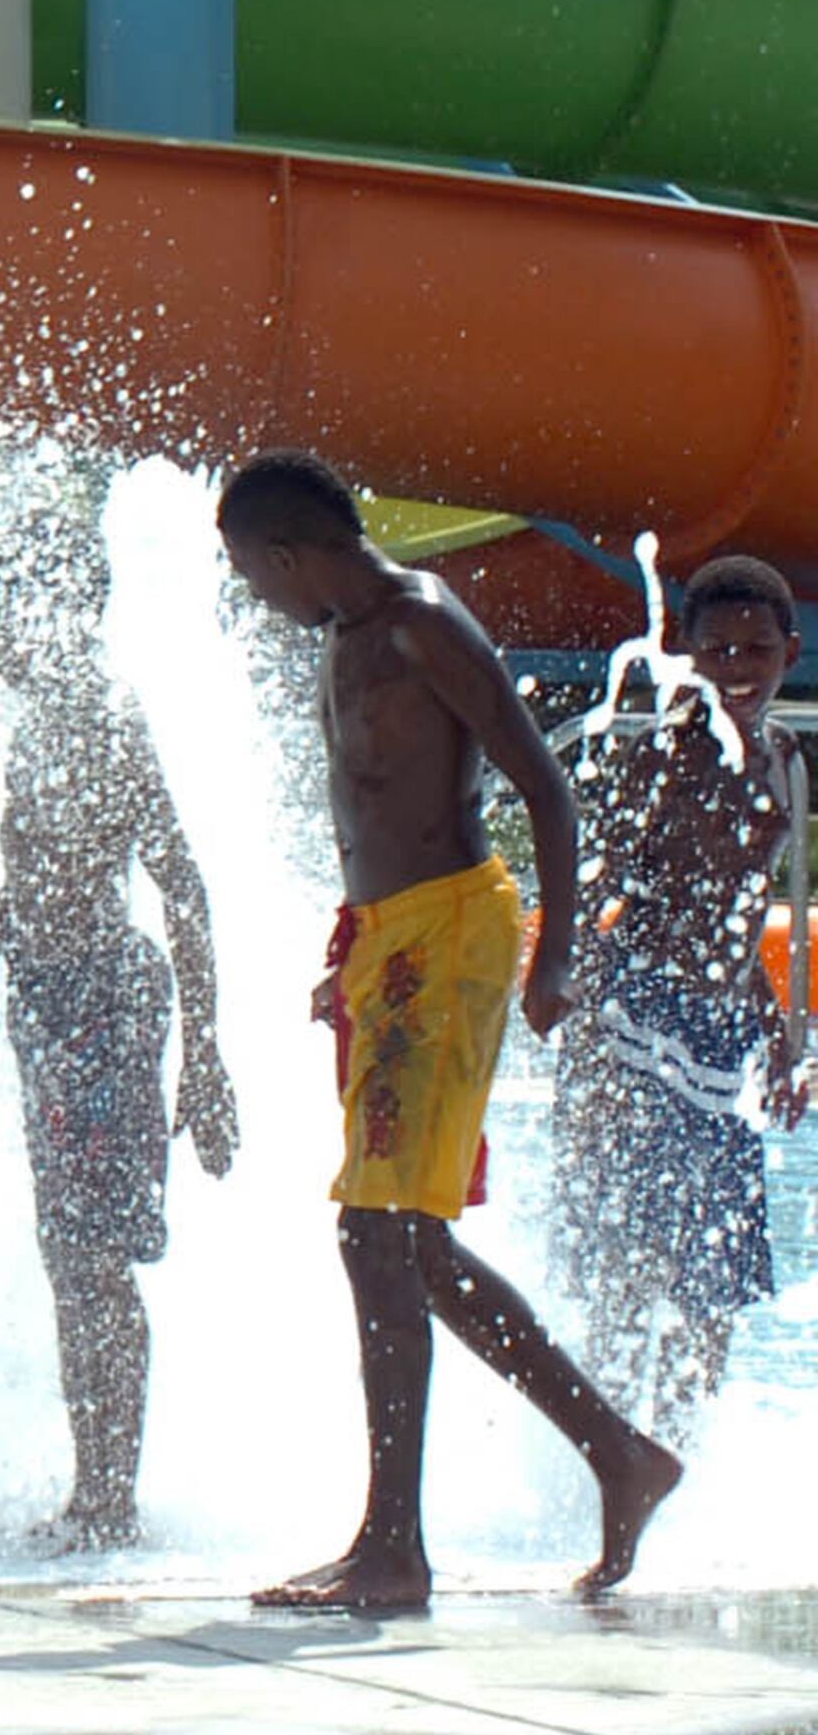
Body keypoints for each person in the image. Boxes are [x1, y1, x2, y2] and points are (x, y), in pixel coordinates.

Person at [214, 451, 679, 1611]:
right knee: (402, 1245)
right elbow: (374, 809)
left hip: (453, 941)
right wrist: (354, 957)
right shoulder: (341, 632)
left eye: (248, 575)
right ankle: (618, 1457)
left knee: (379, 1237)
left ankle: (395, 1551)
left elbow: (544, 789)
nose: (254, 598)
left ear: (283, 553)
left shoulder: (421, 625)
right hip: (390, 943)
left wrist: (555, 957)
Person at [0, 512, 237, 1551]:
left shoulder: (105, 718)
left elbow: (185, 887)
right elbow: (30, 880)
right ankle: (94, 1495)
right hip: (50, 1001)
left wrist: (204, 1058)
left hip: (106, 1006)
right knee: (70, 1259)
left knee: (91, 1262)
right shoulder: (43, 724)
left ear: (58, 612)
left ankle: (111, 1502)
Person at [551, 555, 811, 1439]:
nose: (738, 667)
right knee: (628, 1257)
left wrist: (788, 1039)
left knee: (713, 1282)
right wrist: (577, 1022)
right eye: (717, 650)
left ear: (792, 651)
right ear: (685, 655)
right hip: (636, 1023)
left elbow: (757, 915)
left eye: (756, 649)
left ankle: (679, 1460)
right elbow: (593, 896)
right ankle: (609, 1455)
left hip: (724, 1035)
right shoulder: (663, 757)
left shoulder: (788, 766)